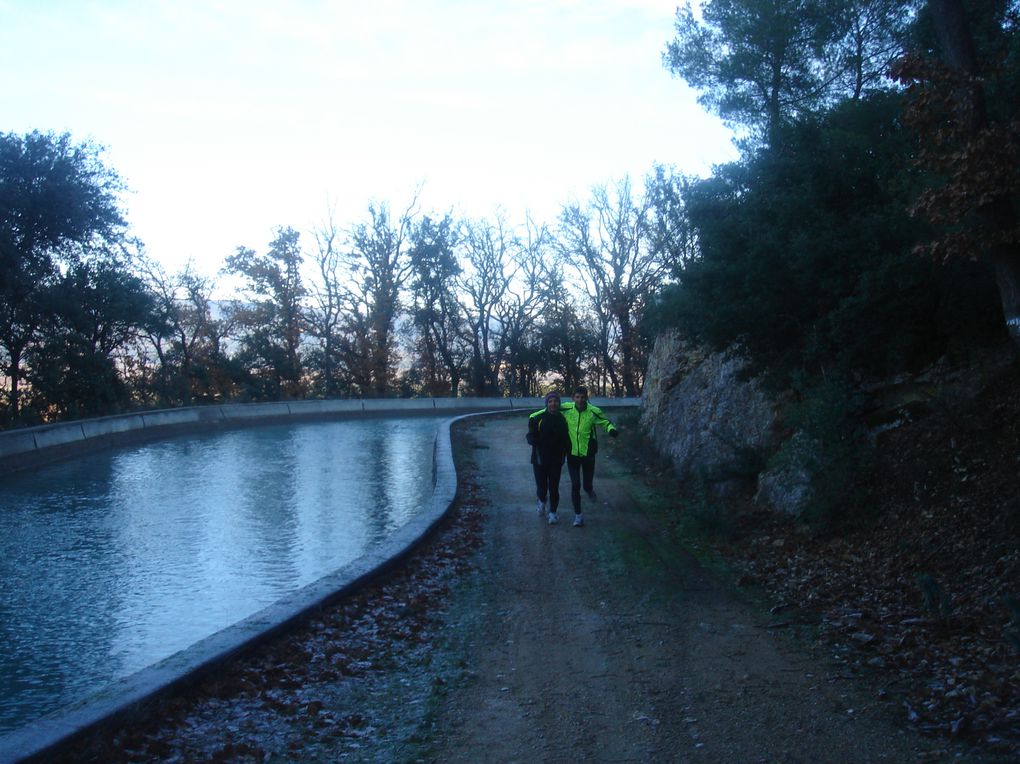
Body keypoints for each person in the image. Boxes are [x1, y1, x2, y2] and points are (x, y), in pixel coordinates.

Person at [559, 385, 618, 527]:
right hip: (572, 453)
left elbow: (605, 422)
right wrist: (535, 418)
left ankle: (590, 491)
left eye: (583, 397)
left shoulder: (593, 411)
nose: (580, 400)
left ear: (587, 398)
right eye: (577, 397)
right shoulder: (566, 408)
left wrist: (612, 430)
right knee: (575, 485)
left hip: (588, 454)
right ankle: (578, 516)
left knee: (586, 485)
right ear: (573, 398)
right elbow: (550, 409)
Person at [527, 391, 571, 525]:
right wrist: (536, 441)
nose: (553, 404)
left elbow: (567, 439)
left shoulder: (564, 419)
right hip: (539, 459)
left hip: (556, 460)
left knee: (554, 487)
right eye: (550, 401)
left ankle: (553, 512)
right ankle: (541, 501)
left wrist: (568, 452)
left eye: (556, 401)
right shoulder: (537, 418)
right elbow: (530, 436)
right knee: (541, 486)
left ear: (559, 403)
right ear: (547, 403)